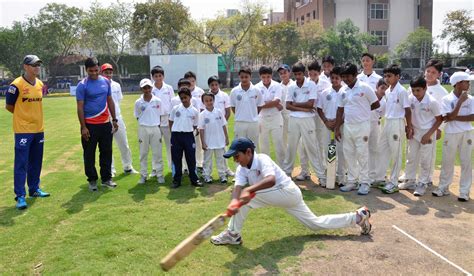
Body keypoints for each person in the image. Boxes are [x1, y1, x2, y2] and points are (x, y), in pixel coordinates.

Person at [210, 137, 372, 245]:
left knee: (248, 199)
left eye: (237, 156)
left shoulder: (262, 159)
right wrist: (233, 202)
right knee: (315, 224)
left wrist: (248, 192)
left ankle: (233, 234)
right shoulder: (242, 168)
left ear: (248, 152)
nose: (235, 160)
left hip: (287, 192)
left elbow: (271, 180)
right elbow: (237, 188)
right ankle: (357, 217)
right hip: (282, 196)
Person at [5, 55, 50, 210]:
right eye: (33, 65)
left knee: (36, 161)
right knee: (21, 163)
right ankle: (20, 196)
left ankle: (34, 189)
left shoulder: (40, 84)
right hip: (23, 131)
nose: (37, 67)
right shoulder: (15, 85)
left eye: (38, 64)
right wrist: (22, 118)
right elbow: (9, 106)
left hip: (39, 129)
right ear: (25, 66)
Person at [335, 63, 380, 195]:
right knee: (348, 153)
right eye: (343, 76)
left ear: (355, 75)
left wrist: (364, 111)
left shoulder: (365, 88)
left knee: (362, 154)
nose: (345, 79)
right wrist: (337, 128)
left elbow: (375, 103)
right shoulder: (343, 90)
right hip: (348, 126)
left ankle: (365, 183)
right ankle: (352, 181)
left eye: (347, 76)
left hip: (362, 125)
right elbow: (340, 110)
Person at [76, 57, 118, 192]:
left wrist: (115, 119)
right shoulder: (82, 85)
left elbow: (110, 100)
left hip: (105, 124)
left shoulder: (106, 82)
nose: (93, 73)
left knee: (106, 152)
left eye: (95, 70)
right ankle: (92, 180)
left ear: (99, 68)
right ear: (86, 70)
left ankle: (106, 179)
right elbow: (80, 107)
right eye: (90, 71)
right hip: (90, 125)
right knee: (89, 154)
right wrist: (83, 127)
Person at [432, 72, 473, 202]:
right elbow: (447, 118)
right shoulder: (447, 99)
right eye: (467, 81)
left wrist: (454, 117)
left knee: (466, 162)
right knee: (447, 161)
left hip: (467, 132)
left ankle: (464, 191)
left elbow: (472, 117)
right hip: (451, 133)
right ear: (459, 83)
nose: (469, 84)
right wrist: (460, 102)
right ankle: (443, 188)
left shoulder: (471, 99)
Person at [283, 62, 326, 186]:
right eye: (296, 74)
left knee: (312, 147)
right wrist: (303, 108)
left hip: (308, 120)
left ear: (304, 73)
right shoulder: (291, 87)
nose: (298, 77)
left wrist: (296, 104)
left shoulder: (311, 84)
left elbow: (311, 104)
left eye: (300, 74)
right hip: (294, 119)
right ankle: (287, 173)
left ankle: (321, 176)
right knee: (291, 147)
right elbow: (287, 105)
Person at [373, 64, 413, 194]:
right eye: (385, 76)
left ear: (397, 76)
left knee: (396, 153)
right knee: (382, 149)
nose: (386, 78)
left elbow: (407, 110)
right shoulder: (388, 91)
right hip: (387, 122)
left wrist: (409, 126)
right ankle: (379, 178)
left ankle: (394, 182)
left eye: (389, 76)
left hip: (397, 123)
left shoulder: (401, 91)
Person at [401, 76, 442, 196]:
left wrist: (429, 134)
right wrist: (409, 127)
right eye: (413, 90)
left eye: (418, 90)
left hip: (427, 132)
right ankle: (410, 180)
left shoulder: (432, 101)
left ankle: (422, 183)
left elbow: (439, 119)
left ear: (425, 88)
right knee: (411, 157)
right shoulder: (410, 99)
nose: (415, 93)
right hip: (414, 131)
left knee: (425, 160)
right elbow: (407, 114)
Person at [101, 63, 137, 177]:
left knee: (124, 143)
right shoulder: (100, 85)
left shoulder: (116, 85)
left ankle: (128, 167)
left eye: (110, 72)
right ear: (102, 73)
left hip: (117, 117)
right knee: (107, 146)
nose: (108, 74)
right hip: (105, 119)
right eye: (106, 72)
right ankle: (111, 170)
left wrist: (116, 117)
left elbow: (118, 101)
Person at [301, 60, 331, 181]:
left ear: (319, 73)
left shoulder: (325, 84)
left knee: (321, 143)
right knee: (304, 144)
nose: (312, 77)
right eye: (310, 74)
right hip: (307, 116)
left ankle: (323, 170)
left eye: (315, 74)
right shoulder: (305, 84)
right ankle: (304, 171)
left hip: (321, 117)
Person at [317, 67, 347, 185]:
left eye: (337, 78)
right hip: (328, 125)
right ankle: (329, 176)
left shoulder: (345, 92)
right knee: (328, 150)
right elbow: (319, 109)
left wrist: (338, 123)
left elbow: (347, 110)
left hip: (341, 126)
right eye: (332, 78)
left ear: (341, 79)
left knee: (341, 151)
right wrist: (326, 121)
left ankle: (341, 177)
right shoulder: (325, 93)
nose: (334, 80)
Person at [169, 87, 203, 188]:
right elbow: (170, 121)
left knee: (191, 159)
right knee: (176, 159)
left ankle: (194, 179)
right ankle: (176, 180)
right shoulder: (176, 109)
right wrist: (174, 132)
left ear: (190, 97)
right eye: (182, 98)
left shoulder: (195, 111)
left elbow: (195, 125)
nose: (184, 100)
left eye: (185, 97)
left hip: (188, 136)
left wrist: (189, 131)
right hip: (176, 136)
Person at [134, 78, 164, 185]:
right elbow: (137, 116)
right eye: (144, 88)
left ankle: (159, 174)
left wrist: (155, 125)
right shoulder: (138, 102)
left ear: (151, 88)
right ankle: (143, 175)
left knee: (157, 152)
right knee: (143, 152)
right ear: (141, 89)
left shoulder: (158, 101)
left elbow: (159, 115)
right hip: (143, 128)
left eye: (149, 87)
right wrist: (145, 123)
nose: (147, 90)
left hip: (155, 128)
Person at [255, 65, 285, 167]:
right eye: (263, 77)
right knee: (264, 146)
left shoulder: (277, 86)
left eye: (268, 76)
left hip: (276, 118)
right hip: (262, 119)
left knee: (279, 145)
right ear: (260, 76)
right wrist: (273, 103)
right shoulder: (256, 87)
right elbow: (257, 104)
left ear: (271, 75)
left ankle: (282, 169)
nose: (266, 79)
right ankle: (266, 169)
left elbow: (277, 101)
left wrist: (265, 104)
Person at [198, 92, 229, 184]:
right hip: (208, 142)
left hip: (219, 141)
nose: (209, 102)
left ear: (214, 100)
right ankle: (207, 175)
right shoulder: (202, 114)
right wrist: (203, 142)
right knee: (207, 160)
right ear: (203, 102)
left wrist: (226, 138)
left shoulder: (219, 112)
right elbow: (201, 129)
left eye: (210, 100)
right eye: (206, 101)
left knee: (221, 159)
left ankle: (222, 175)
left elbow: (224, 125)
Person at [230, 66, 264, 149]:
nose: (244, 79)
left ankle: (253, 162)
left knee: (253, 146)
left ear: (250, 76)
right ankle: (239, 163)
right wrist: (241, 115)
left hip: (253, 123)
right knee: (239, 147)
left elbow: (259, 106)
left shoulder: (256, 90)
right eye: (242, 77)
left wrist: (252, 115)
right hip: (239, 123)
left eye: (246, 77)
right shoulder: (234, 91)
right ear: (239, 77)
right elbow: (233, 107)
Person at [208, 75, 234, 177]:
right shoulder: (207, 96)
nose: (214, 86)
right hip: (209, 128)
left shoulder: (224, 95)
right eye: (212, 85)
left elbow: (228, 112)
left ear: (219, 85)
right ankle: (207, 172)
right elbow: (202, 111)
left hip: (222, 127)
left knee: (223, 148)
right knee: (209, 150)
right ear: (209, 85)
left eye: (216, 84)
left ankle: (226, 169)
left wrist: (222, 124)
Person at [151, 65, 174, 172]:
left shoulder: (168, 88)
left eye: (160, 76)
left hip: (168, 119)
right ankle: (155, 169)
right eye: (156, 76)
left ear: (163, 76)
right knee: (156, 146)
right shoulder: (150, 89)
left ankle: (172, 167)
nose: (158, 78)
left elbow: (173, 104)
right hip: (155, 120)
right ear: (153, 77)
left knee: (170, 145)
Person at [184, 71, 205, 172]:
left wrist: (200, 123)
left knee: (198, 144)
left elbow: (203, 107)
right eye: (188, 81)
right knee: (187, 145)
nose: (191, 83)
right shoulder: (183, 92)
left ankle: (199, 163)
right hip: (186, 122)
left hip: (198, 121)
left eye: (193, 81)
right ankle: (186, 166)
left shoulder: (200, 91)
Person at [277, 64, 294, 148]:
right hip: (282, 116)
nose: (283, 75)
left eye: (285, 72)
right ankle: (286, 160)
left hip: (293, 115)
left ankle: (302, 161)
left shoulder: (295, 85)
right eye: (281, 73)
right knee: (283, 140)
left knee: (297, 140)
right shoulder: (278, 87)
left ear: (289, 73)